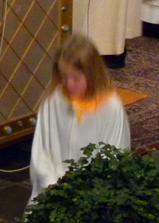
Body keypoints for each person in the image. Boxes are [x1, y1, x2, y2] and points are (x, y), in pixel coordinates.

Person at [29, 34, 130, 202]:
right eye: (64, 77)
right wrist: (56, 187)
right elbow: (42, 154)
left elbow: (115, 157)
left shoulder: (111, 107)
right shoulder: (54, 101)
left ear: (92, 75)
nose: (69, 84)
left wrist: (86, 194)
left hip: (94, 197)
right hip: (54, 193)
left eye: (75, 78)